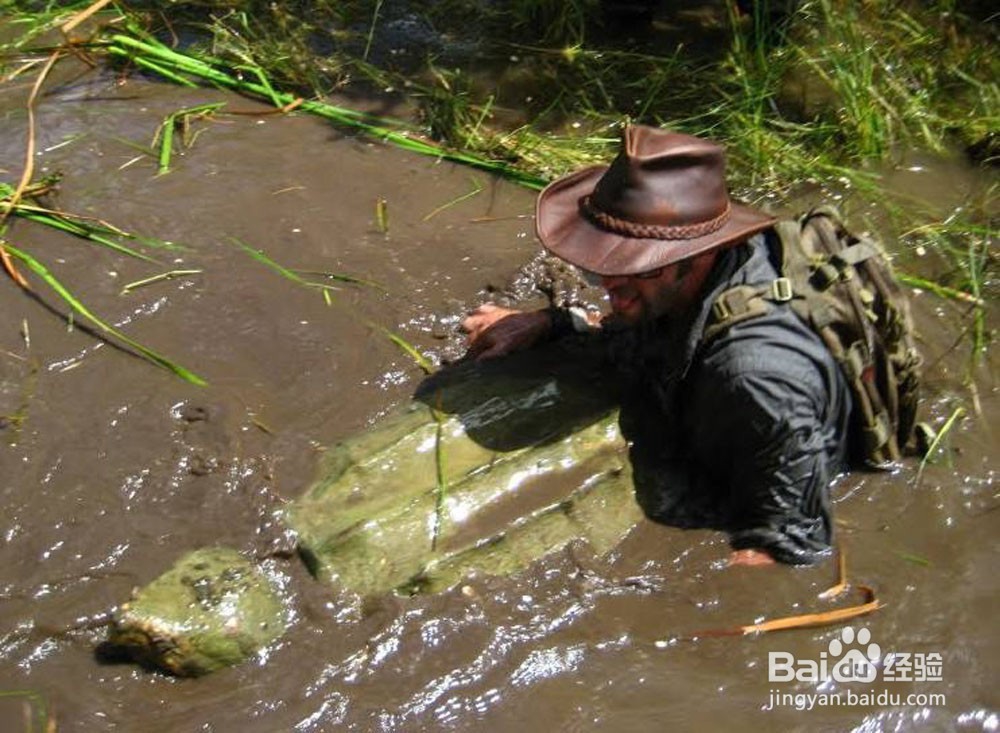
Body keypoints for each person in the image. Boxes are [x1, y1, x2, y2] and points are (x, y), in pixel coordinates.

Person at [461, 125, 852, 567]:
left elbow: (797, 541)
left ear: (702, 254)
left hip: (776, 434)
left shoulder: (751, 378)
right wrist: (552, 322)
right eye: (601, 265)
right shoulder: (693, 277)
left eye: (640, 268)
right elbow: (640, 330)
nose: (611, 288)